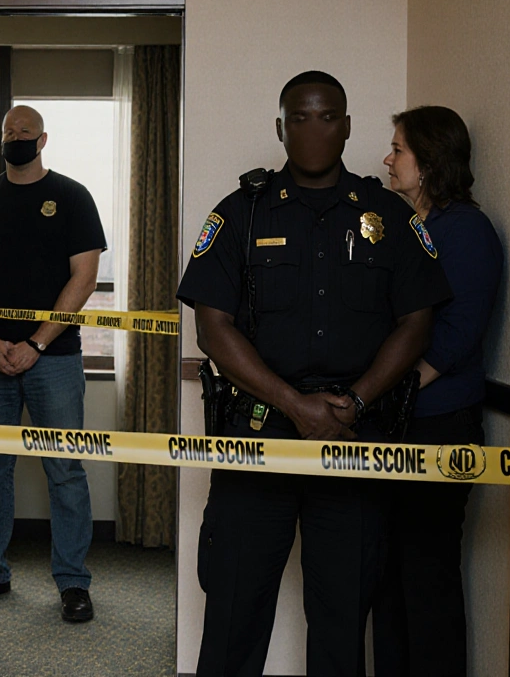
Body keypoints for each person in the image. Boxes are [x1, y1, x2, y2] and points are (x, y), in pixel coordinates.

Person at [178, 70, 452, 676]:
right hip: (258, 439)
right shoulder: (240, 215)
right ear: (280, 128)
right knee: (233, 615)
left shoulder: (390, 217)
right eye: (299, 117)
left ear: (348, 126)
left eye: (327, 116)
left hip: (352, 442)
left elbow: (416, 322)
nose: (313, 129)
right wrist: (292, 403)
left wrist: (353, 402)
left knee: (342, 619)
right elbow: (212, 326)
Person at [372, 106, 502, 676]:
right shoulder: (410, 229)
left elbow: (453, 338)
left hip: (438, 426)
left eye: (398, 149)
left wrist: (385, 392)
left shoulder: (466, 230)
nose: (387, 158)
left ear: (429, 160)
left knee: (427, 580)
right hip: (394, 425)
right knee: (387, 580)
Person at [0, 104, 106, 623]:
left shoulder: (72, 197)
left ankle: (72, 582)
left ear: (42, 139)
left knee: (65, 469)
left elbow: (84, 279)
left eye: (25, 131)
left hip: (56, 360)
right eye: (8, 131)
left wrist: (38, 343)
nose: (16, 137)